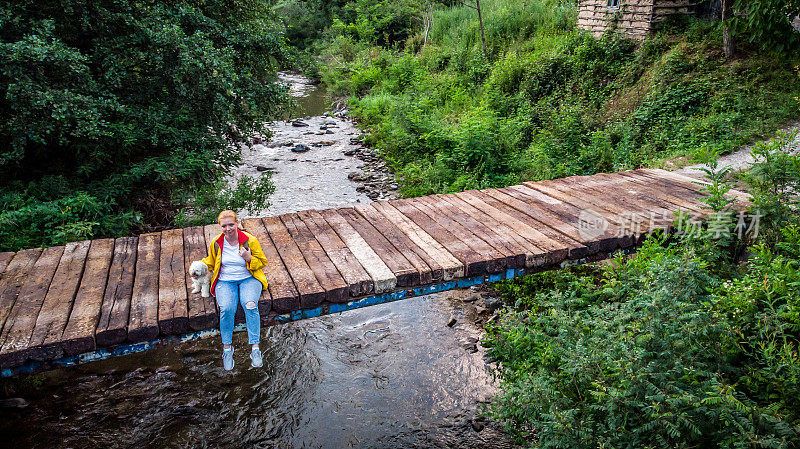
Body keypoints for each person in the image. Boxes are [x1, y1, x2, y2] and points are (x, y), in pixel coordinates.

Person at [202, 210, 269, 370]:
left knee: (250, 304)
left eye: (231, 224)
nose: (228, 229)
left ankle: (255, 349)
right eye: (224, 226)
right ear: (220, 227)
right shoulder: (216, 243)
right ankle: (227, 349)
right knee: (226, 309)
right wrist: (199, 268)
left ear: (237, 224)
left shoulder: (249, 240)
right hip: (225, 281)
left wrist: (249, 258)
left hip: (249, 278)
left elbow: (263, 261)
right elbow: (210, 262)